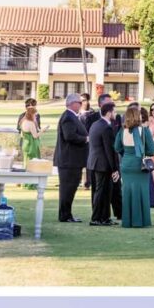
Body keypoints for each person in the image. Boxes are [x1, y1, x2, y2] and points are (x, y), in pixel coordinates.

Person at [116, 102, 154, 228]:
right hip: (140, 165)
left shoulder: (122, 131)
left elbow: (117, 147)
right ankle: (141, 221)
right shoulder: (144, 131)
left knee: (127, 192)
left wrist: (127, 153)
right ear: (138, 117)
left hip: (126, 164)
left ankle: (127, 221)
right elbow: (151, 150)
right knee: (142, 191)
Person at [53, 94, 89, 223]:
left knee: (70, 188)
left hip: (72, 160)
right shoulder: (68, 117)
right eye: (79, 102)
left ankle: (66, 214)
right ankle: (65, 215)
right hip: (69, 160)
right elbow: (69, 136)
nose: (81, 104)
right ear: (72, 103)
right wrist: (85, 139)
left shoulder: (72, 116)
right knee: (68, 188)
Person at [85, 99, 119, 226]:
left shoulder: (96, 124)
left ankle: (104, 217)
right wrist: (115, 168)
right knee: (101, 191)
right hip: (102, 164)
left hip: (94, 162)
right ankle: (96, 218)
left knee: (104, 191)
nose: (116, 114)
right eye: (114, 111)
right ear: (109, 113)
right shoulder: (106, 127)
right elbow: (109, 150)